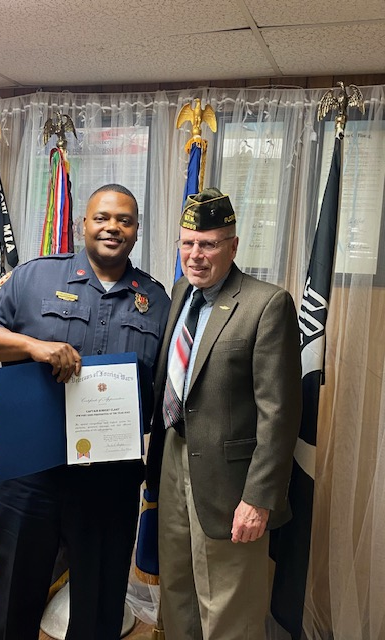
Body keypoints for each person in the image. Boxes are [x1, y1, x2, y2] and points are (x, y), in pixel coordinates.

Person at [0, 184, 171, 640]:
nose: (112, 227)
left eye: (125, 220)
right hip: (31, 474)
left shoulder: (157, 302)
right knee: (15, 601)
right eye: (102, 217)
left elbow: (163, 390)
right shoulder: (35, 276)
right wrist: (33, 346)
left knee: (98, 611)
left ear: (136, 231)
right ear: (84, 224)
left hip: (107, 481)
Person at [146, 188, 302, 640]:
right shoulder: (180, 292)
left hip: (233, 481)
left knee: (229, 605)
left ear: (233, 245)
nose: (195, 255)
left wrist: (258, 499)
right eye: (188, 243)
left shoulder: (266, 304)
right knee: (178, 590)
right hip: (174, 458)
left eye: (209, 244)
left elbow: (280, 413)